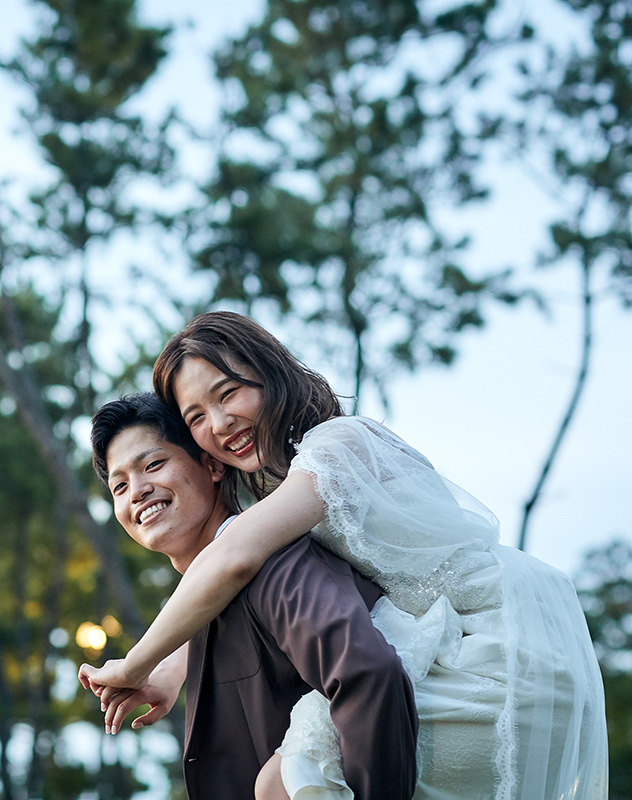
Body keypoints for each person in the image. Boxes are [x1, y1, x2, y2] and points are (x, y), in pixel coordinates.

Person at [79, 311, 608, 800]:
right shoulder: (279, 486)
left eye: (230, 393)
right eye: (196, 416)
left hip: (496, 653)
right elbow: (231, 578)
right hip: (445, 645)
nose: (218, 424)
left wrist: (133, 662)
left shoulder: (338, 447)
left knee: (284, 781)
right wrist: (172, 672)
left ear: (272, 374)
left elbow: (234, 558)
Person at [84, 393, 419, 800]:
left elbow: (369, 673)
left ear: (211, 465)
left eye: (152, 465)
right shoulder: (198, 612)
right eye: (119, 486)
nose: (136, 491)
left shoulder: (274, 564)